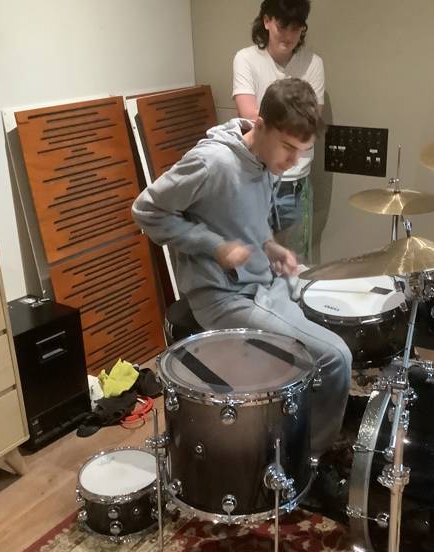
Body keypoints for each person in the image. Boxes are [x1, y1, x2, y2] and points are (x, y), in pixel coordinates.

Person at [132, 78, 351, 457]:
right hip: (225, 297)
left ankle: (293, 427)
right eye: (288, 148)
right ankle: (309, 462)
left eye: (303, 151)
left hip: (262, 281)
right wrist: (213, 246)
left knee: (342, 308)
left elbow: (245, 220)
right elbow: (146, 210)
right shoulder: (212, 163)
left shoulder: (266, 161)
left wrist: (270, 247)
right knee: (336, 357)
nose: (292, 162)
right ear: (260, 124)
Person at [233, 0, 324, 263]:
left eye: (296, 27)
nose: (289, 34)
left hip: (295, 182)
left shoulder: (313, 63)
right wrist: (292, 125)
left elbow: (309, 125)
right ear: (267, 21)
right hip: (255, 176)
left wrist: (282, 129)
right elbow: (249, 117)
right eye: (283, 25)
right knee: (252, 261)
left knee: (294, 264)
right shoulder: (246, 59)